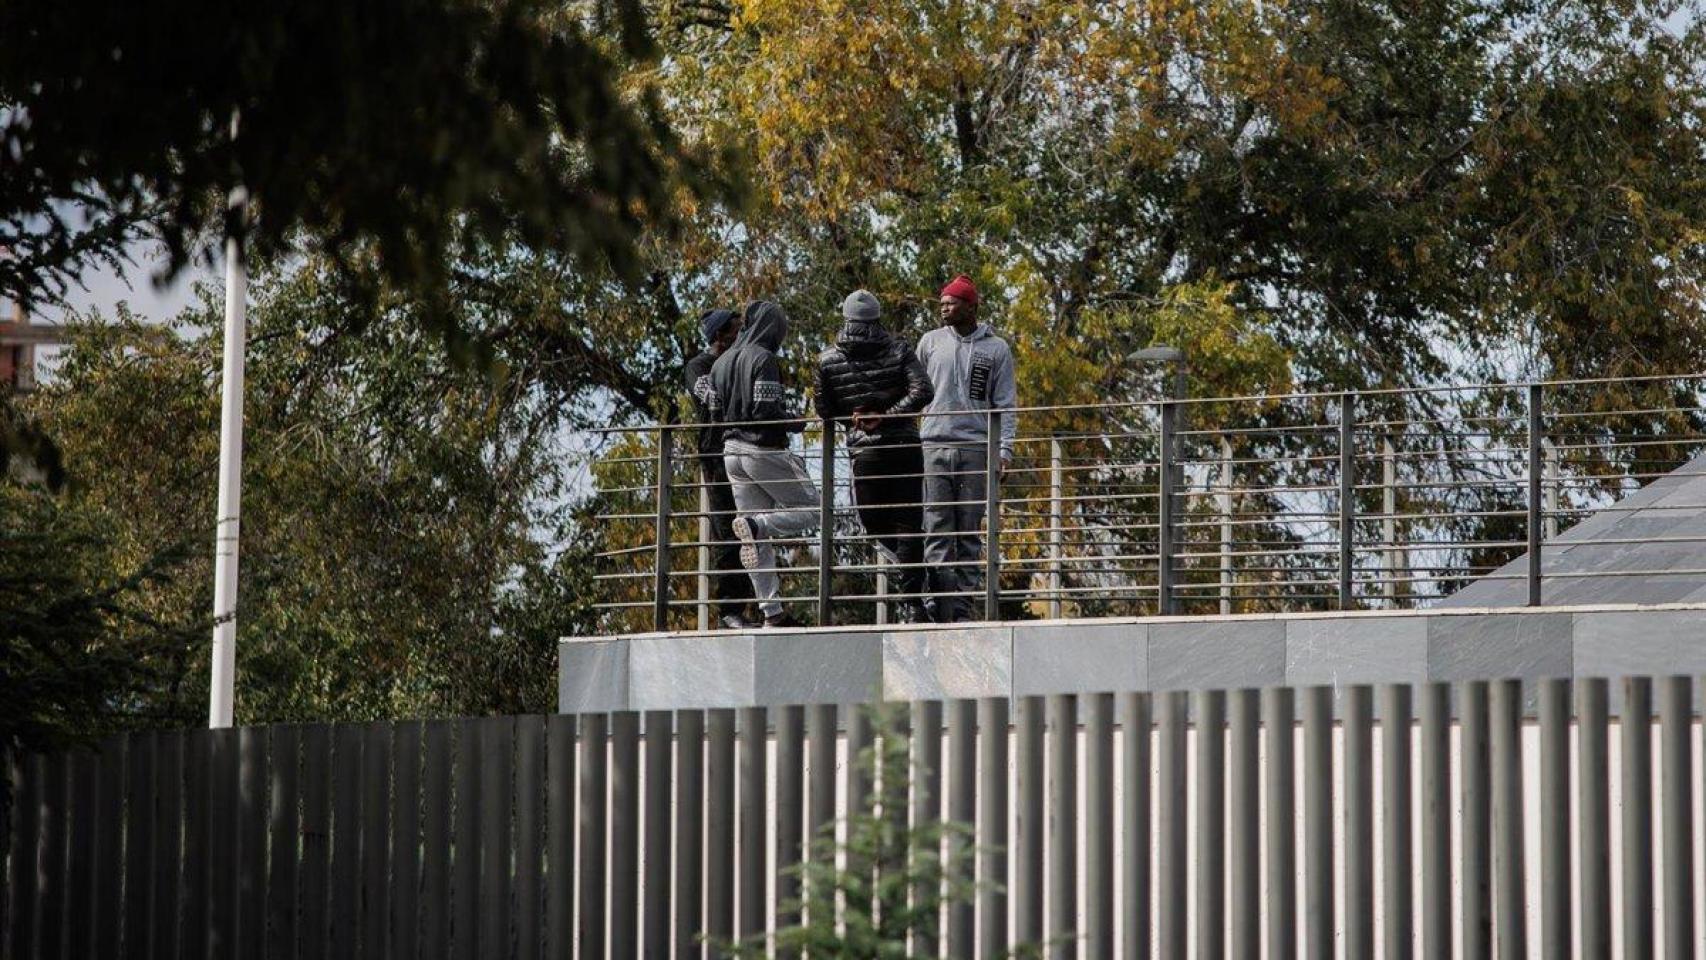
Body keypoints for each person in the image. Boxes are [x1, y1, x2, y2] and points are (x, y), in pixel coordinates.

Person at [814, 289, 935, 624]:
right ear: (877, 317)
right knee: (908, 524)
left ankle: (918, 590)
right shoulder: (899, 349)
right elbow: (923, 390)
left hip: (864, 451)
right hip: (905, 446)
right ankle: (915, 600)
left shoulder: (827, 360)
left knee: (875, 524)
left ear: (846, 318)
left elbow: (824, 409)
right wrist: (889, 415)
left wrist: (856, 418)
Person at [709, 300, 820, 628]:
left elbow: (714, 414)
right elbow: (765, 412)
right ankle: (758, 524)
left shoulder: (720, 363)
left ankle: (772, 613)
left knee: (754, 540)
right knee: (817, 510)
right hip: (763, 449)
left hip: (730, 452)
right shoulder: (763, 358)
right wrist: (795, 422)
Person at [916, 275, 1017, 622]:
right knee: (936, 527)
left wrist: (1005, 450)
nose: (944, 307)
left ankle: (961, 605)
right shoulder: (930, 342)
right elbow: (913, 390)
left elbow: (1005, 404)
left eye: (952, 302)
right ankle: (936, 602)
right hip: (933, 444)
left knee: (969, 530)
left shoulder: (996, 349)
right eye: (942, 302)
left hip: (976, 448)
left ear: (970, 307)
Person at [684, 308, 760, 630]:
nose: (742, 335)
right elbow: (713, 399)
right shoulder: (699, 366)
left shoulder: (743, 361)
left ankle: (760, 608)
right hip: (717, 457)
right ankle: (729, 610)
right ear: (719, 336)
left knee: (754, 529)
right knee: (728, 533)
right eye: (736, 330)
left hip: (746, 453)